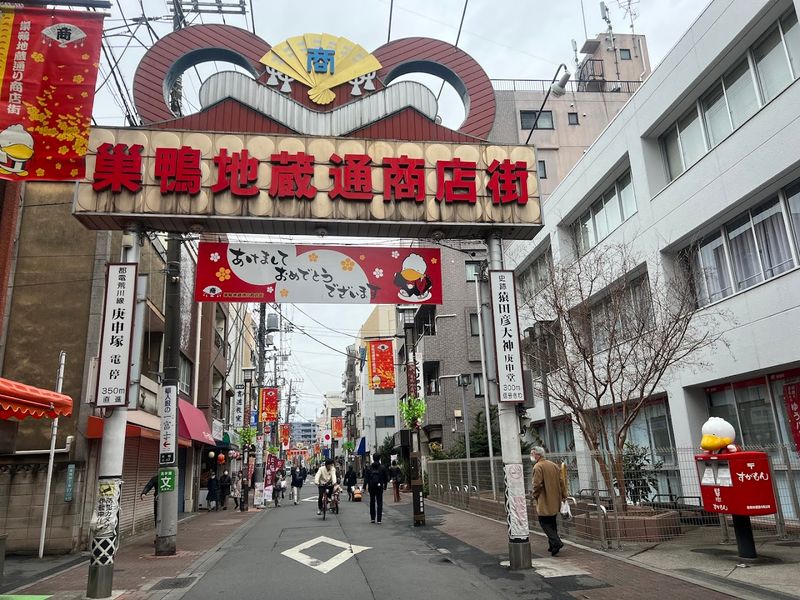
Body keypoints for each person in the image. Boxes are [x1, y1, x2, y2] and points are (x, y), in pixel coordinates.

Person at [531, 446, 568, 556]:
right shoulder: (553, 465)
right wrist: (564, 494)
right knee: (552, 522)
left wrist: (535, 495)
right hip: (555, 498)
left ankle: (556, 542)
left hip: (544, 498)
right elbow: (561, 481)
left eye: (533, 453)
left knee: (544, 522)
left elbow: (536, 484)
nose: (532, 456)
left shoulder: (538, 467)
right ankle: (552, 546)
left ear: (538, 455)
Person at [364, 453, 389, 524]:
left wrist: (364, 487)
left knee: (372, 501)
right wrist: (385, 486)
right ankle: (379, 519)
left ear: (373, 458)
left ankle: (372, 518)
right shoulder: (382, 467)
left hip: (371, 486)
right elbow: (386, 478)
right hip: (379, 486)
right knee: (379, 502)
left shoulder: (369, 467)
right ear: (379, 458)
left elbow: (366, 478)